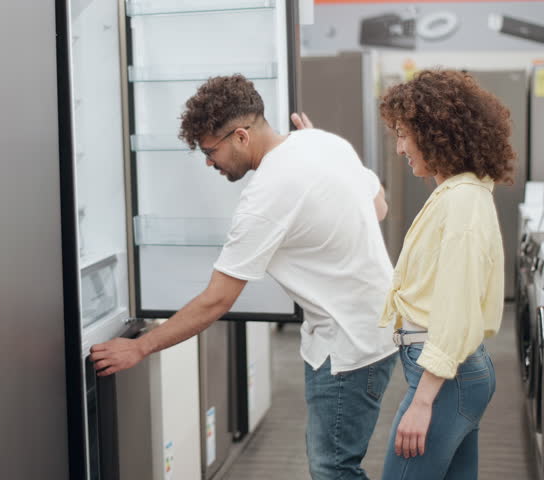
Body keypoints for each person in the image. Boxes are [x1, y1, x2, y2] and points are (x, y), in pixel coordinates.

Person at [90, 74, 397, 479]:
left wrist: (140, 348)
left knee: (333, 468)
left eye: (209, 150)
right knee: (336, 462)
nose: (208, 162)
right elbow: (379, 207)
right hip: (377, 330)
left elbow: (217, 300)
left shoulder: (265, 196)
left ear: (240, 136)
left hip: (348, 348)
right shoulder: (323, 141)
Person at [377, 69, 513, 479]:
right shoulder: (457, 194)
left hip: (444, 375)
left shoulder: (461, 204)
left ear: (437, 133)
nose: (400, 147)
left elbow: (456, 312)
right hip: (453, 370)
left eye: (404, 134)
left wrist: (422, 402)